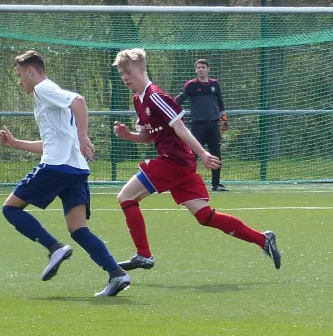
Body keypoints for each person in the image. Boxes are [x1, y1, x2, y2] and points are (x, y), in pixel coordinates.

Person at [112, 49, 281, 271]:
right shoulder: (138, 100)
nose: (124, 77)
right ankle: (263, 239)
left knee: (126, 197)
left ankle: (144, 255)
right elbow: (147, 137)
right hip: (180, 165)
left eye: (128, 72)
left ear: (142, 69)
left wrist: (203, 153)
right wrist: (128, 135)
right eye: (122, 73)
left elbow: (180, 127)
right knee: (205, 216)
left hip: (174, 162)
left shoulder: (156, 96)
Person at [0, 50, 130, 297]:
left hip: (56, 167)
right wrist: (15, 143)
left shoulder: (42, 89)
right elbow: (52, 142)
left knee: (11, 209)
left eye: (19, 75)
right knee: (78, 229)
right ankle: (117, 274)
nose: (20, 81)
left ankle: (54, 247)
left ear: (30, 71)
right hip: (76, 169)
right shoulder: (52, 96)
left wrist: (83, 135)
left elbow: (79, 101)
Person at [175, 59, 229, 192]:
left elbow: (220, 103)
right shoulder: (191, 85)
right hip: (197, 126)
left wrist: (224, 120)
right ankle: (186, 182)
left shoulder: (214, 84)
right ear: (195, 70)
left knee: (215, 154)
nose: (200, 69)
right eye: (198, 67)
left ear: (208, 69)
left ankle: (216, 184)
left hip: (213, 125)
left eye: (203, 67)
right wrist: (170, 109)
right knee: (193, 155)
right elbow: (179, 100)